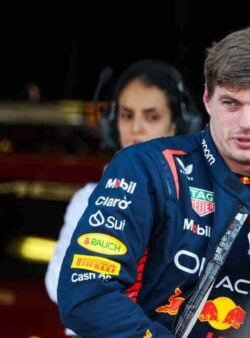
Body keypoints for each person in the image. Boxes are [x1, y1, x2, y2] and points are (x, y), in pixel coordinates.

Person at [57, 24, 250, 338]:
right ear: (208, 100)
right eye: (231, 104)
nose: (246, 123)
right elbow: (86, 294)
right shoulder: (147, 168)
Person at [45, 59, 204, 335]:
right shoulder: (89, 198)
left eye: (152, 117)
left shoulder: (201, 202)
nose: (136, 128)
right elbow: (60, 284)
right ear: (112, 123)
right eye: (127, 115)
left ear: (179, 126)